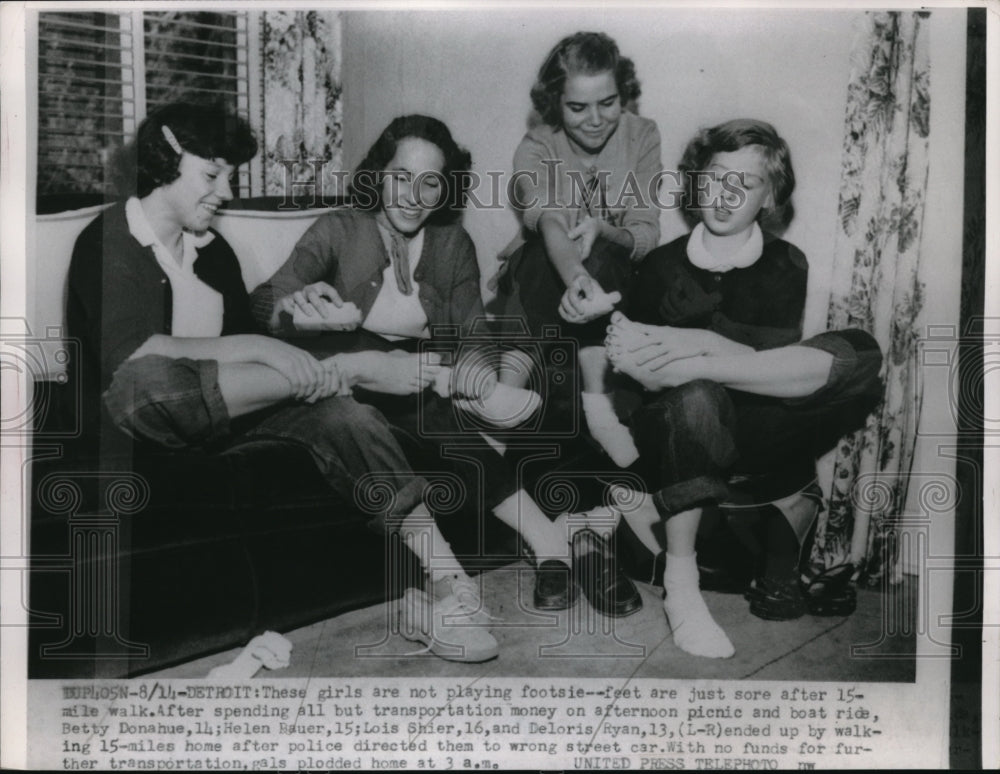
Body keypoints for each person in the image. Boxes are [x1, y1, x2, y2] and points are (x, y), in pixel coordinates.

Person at [66, 102, 497, 664]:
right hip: (141, 415)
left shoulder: (212, 250)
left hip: (231, 415)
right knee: (144, 378)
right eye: (212, 175)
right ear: (165, 161)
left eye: (230, 177)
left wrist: (300, 322)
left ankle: (449, 585)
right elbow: (132, 356)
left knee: (347, 415)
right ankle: (346, 370)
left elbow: (255, 345)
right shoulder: (109, 241)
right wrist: (270, 348)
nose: (224, 192)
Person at [250, 115, 585, 642]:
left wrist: (472, 380)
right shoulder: (339, 229)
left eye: (429, 181)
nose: (413, 195)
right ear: (378, 175)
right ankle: (457, 574)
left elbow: (475, 336)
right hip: (340, 373)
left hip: (415, 377)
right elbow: (266, 299)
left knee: (445, 415)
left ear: (444, 187)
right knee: (402, 404)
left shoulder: (452, 244)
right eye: (400, 176)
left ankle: (548, 544)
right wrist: (294, 308)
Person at [572, 119, 882, 657]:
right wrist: (666, 359)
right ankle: (683, 587)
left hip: (757, 420)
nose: (725, 195)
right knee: (693, 395)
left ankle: (695, 373)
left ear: (770, 198)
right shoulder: (662, 264)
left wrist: (692, 345)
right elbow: (635, 372)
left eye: (747, 183)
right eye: (715, 179)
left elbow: (765, 365)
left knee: (863, 350)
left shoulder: (786, 263)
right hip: (676, 425)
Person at [495, 31, 663, 469]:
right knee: (533, 255)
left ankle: (598, 405)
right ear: (555, 104)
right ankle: (506, 395)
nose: (595, 119)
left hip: (618, 275)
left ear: (623, 94)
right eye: (577, 107)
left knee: (603, 248)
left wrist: (605, 229)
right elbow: (548, 218)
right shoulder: (537, 146)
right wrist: (577, 277)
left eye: (607, 103)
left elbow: (644, 232)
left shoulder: (643, 135)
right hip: (544, 272)